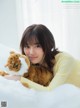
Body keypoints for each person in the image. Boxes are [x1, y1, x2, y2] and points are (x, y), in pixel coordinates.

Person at [5, 24, 80, 89]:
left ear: (48, 45)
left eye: (37, 46)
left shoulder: (65, 60)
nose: (31, 52)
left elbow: (50, 91)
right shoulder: (32, 65)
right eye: (27, 46)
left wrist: (19, 79)